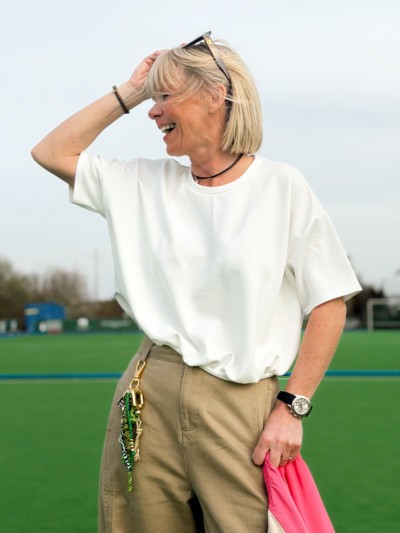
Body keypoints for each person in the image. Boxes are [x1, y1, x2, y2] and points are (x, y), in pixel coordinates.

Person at [32, 32, 362, 533]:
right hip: (148, 395)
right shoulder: (142, 183)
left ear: (215, 95)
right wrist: (132, 91)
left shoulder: (281, 187)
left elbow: (329, 303)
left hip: (241, 403)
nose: (153, 111)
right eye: (153, 98)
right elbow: (51, 151)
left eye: (165, 96)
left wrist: (292, 408)